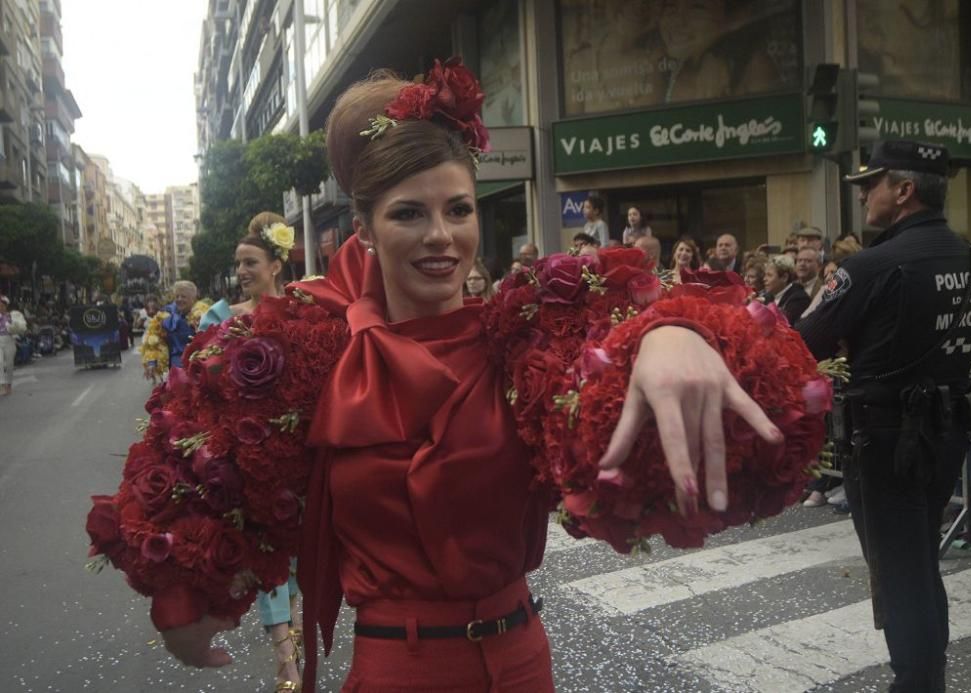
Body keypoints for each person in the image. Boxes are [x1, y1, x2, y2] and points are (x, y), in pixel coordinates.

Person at [100, 63, 794, 693]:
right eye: (409, 212)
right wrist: (183, 596)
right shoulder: (305, 353)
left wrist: (670, 333)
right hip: (398, 670)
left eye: (458, 209)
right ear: (364, 232)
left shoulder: (526, 333)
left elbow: (632, 332)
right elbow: (194, 463)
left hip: (524, 659)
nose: (441, 235)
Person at [798, 140, 971, 693]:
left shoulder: (872, 265)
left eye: (872, 183)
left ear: (904, 191)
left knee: (901, 571)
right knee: (919, 563)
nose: (863, 192)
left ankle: (916, 682)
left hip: (885, 441)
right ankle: (923, 675)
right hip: (949, 430)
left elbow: (801, 343)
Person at [198, 211, 303, 692]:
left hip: (298, 452)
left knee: (300, 557)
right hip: (245, 455)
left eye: (249, 262)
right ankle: (287, 664)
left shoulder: (303, 312)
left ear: (276, 264)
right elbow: (198, 389)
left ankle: (293, 639)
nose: (240, 272)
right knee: (266, 553)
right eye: (236, 264)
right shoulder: (216, 318)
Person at [140, 281, 208, 381]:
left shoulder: (203, 314)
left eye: (183, 296)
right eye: (177, 296)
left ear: (193, 298)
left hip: (198, 369)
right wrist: (152, 363)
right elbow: (154, 338)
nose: (179, 299)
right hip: (176, 371)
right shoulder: (166, 314)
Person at [763, 255, 809, 325]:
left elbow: (785, 325)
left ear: (784, 277)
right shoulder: (768, 297)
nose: (764, 279)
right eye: (765, 275)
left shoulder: (799, 299)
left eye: (769, 275)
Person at [0, 296, 28, 396]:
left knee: (9, 364)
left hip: (9, 340)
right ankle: (2, 385)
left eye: (2, 305)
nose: (0, 307)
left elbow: (20, 327)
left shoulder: (12, 315)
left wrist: (11, 323)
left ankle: (8, 385)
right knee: (0, 362)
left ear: (6, 306)